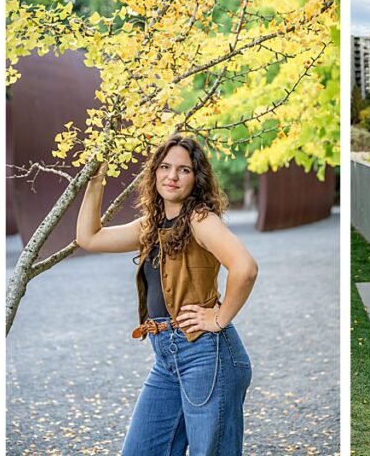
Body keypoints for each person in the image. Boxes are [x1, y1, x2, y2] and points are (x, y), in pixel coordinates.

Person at [76, 134, 259, 455]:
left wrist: (218, 318)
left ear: (196, 178)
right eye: (165, 167)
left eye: (183, 170)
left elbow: (245, 268)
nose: (172, 176)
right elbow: (88, 238)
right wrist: (96, 178)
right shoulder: (151, 225)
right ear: (154, 173)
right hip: (167, 358)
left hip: (207, 356)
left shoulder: (200, 219)